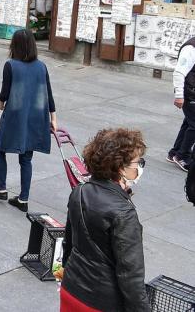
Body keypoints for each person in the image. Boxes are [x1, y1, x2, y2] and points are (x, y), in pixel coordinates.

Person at [59, 128, 149, 311]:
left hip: (71, 288)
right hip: (100, 301)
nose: (139, 167)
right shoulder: (124, 213)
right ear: (120, 167)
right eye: (137, 162)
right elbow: (131, 276)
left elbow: (69, 244)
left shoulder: (80, 191)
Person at [0, 29, 57, 212]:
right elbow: (48, 93)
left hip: (15, 116)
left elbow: (4, 93)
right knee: (26, 158)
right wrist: (53, 118)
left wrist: (1, 103)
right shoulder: (41, 66)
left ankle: (1, 188)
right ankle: (23, 199)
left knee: (0, 147)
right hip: (36, 118)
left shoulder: (11, 65)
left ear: (14, 45)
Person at [169, 36, 195, 172]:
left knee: (189, 123)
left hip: (192, 91)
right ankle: (182, 156)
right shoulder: (191, 48)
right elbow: (179, 72)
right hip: (189, 92)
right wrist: (179, 96)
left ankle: (175, 152)